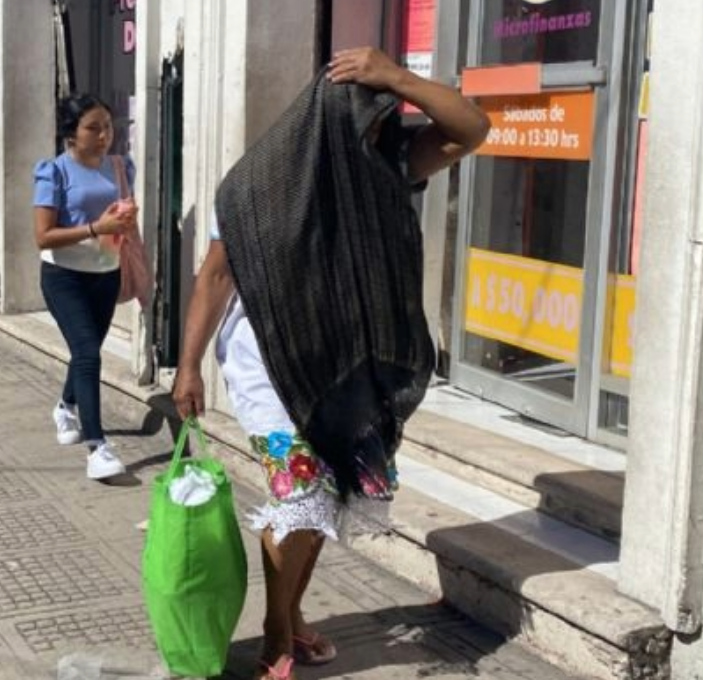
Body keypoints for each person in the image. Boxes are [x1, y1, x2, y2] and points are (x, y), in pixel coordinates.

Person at [172, 47, 490, 680]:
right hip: (271, 367)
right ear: (322, 124)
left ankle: (289, 618)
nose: (376, 135)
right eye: (365, 122)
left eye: (382, 121)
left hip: (346, 366)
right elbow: (213, 278)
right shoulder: (255, 187)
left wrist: (397, 78)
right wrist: (188, 367)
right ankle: (273, 630)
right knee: (301, 491)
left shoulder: (383, 170)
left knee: (331, 495)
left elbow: (471, 129)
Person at [33, 93, 138, 480]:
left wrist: (123, 218)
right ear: (71, 134)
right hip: (65, 277)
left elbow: (121, 215)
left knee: (85, 352)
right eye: (92, 128)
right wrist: (97, 227)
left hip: (106, 273)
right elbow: (43, 236)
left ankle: (64, 406)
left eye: (107, 127)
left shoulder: (121, 166)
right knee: (89, 354)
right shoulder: (53, 172)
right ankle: (98, 447)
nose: (103, 135)